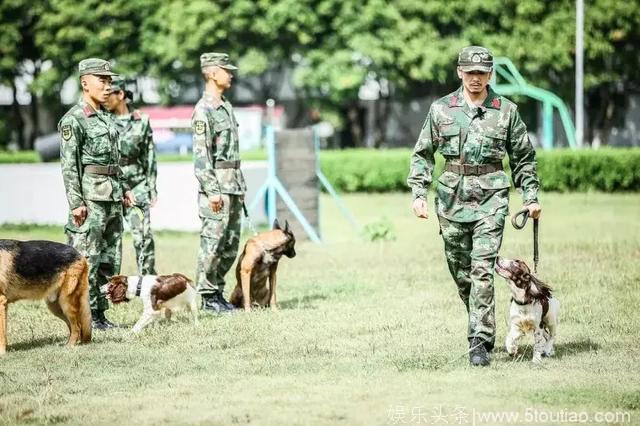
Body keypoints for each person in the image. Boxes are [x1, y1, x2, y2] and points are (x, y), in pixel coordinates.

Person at [407, 46, 542, 366]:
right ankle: (479, 324)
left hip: (491, 200)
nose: (476, 79)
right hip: (451, 200)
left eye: (481, 73)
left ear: (490, 74)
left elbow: (523, 158)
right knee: (462, 274)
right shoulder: (441, 110)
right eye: (470, 73)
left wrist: (531, 197)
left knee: (482, 269)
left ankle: (478, 342)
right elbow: (422, 153)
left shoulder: (506, 111)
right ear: (459, 72)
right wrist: (419, 193)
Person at [58, 58, 135, 330]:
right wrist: (76, 203)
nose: (107, 86)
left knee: (109, 260)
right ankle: (84, 317)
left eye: (109, 81)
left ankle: (100, 315)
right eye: (102, 80)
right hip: (91, 201)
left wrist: (124, 188)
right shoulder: (74, 119)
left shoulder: (105, 117)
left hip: (112, 198)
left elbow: (115, 161)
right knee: (86, 260)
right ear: (84, 82)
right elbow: (69, 166)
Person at [192, 52, 247, 313]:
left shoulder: (225, 106)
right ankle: (206, 296)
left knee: (230, 244)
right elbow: (202, 158)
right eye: (226, 70)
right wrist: (212, 191)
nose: (231, 74)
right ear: (212, 73)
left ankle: (218, 292)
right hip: (217, 189)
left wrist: (241, 187)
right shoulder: (204, 111)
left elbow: (233, 156)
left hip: (233, 185)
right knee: (212, 244)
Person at [105, 76, 158, 275]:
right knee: (111, 239)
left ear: (121, 94)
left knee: (143, 236)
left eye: (110, 93)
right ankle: (109, 286)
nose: (105, 97)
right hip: (110, 187)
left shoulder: (141, 120)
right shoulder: (102, 120)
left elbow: (149, 155)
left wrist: (152, 187)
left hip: (137, 187)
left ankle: (148, 282)